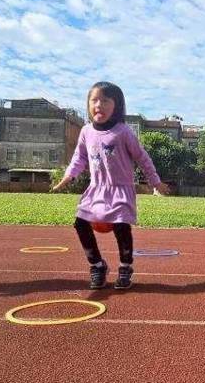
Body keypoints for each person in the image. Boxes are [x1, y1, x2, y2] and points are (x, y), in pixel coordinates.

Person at [52, 82, 168, 290]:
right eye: (94, 100)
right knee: (80, 223)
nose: (99, 105)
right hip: (96, 189)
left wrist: (155, 181)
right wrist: (67, 177)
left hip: (120, 189)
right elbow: (79, 158)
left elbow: (142, 158)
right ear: (88, 104)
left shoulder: (123, 132)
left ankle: (125, 268)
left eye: (105, 100)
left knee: (121, 227)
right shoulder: (86, 131)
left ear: (116, 105)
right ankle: (97, 265)